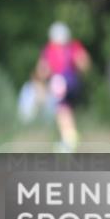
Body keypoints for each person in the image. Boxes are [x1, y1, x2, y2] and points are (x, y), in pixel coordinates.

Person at [35, 22, 91, 152]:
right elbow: (84, 63)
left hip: (61, 83)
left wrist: (41, 80)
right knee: (67, 110)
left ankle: (70, 138)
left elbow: (43, 69)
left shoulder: (50, 49)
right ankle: (69, 137)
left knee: (62, 110)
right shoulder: (74, 46)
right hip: (75, 82)